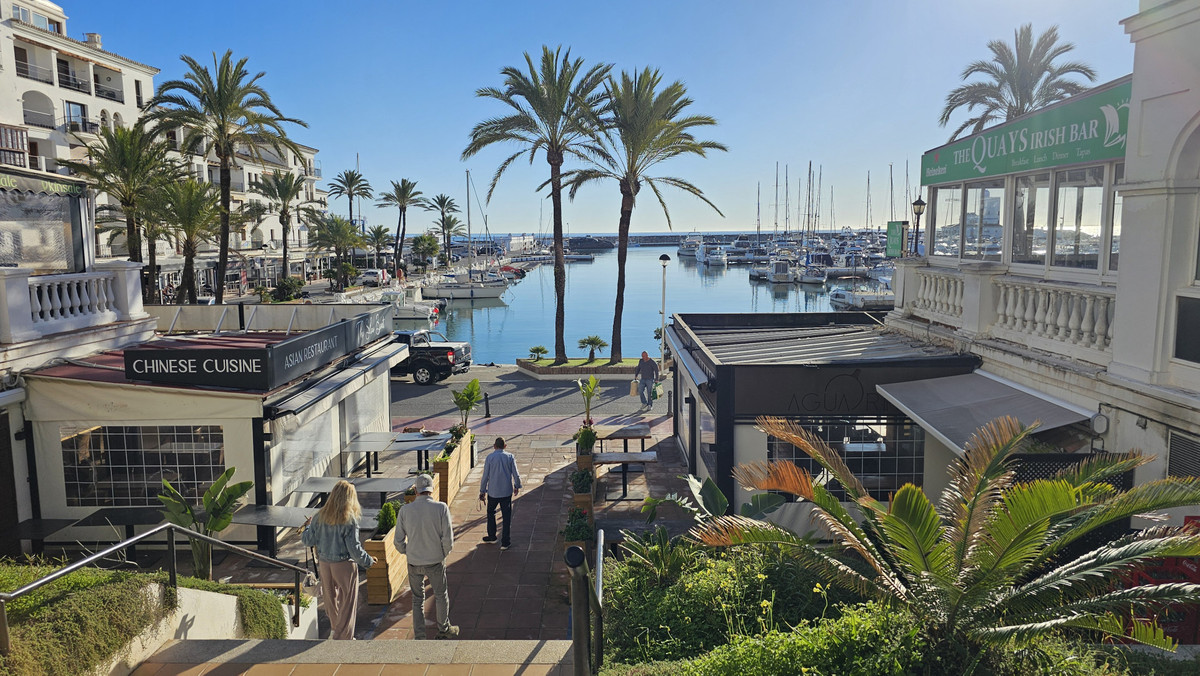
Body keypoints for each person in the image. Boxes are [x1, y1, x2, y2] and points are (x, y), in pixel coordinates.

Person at [300, 480, 375, 640]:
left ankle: (335, 630)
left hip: (324, 564)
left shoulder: (319, 516)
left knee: (330, 600)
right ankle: (344, 637)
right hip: (344, 565)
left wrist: (307, 526)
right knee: (347, 602)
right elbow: (354, 549)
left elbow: (307, 540)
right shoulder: (349, 519)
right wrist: (368, 561)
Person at [394, 473, 459, 639]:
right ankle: (444, 629)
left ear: (416, 490)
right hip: (435, 560)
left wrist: (408, 552)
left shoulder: (405, 511)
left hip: (414, 562)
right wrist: (443, 553)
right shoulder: (441, 508)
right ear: (432, 489)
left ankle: (420, 636)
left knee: (417, 600)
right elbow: (448, 539)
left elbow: (398, 541)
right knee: (440, 595)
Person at [479, 437, 522, 551]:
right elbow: (516, 474)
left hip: (493, 492)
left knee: (490, 513)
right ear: (505, 446)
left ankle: (492, 536)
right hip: (506, 492)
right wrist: (517, 486)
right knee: (506, 517)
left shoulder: (490, 457)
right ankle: (505, 542)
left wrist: (482, 491)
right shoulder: (510, 457)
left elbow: (485, 476)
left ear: (494, 446)